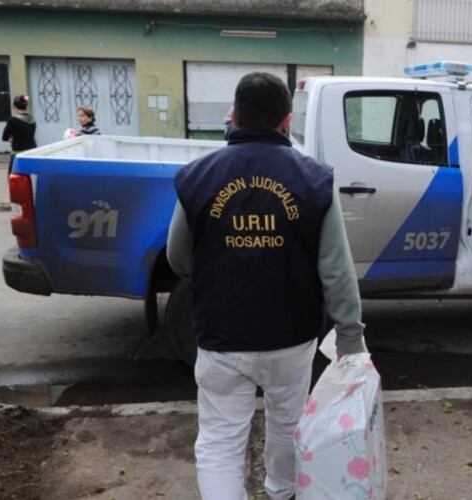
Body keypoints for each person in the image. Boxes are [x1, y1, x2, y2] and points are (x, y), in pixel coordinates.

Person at [166, 72, 366, 500]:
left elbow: (178, 259)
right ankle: (282, 494)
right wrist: (351, 335)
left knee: (220, 442)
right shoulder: (314, 179)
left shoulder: (197, 176)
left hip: (222, 336)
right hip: (290, 338)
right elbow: (336, 269)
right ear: (287, 122)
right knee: (288, 427)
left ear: (233, 117)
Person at [1, 94, 37, 176]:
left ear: (14, 107)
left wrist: (11, 139)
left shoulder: (13, 120)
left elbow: (4, 137)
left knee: (14, 178)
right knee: (31, 177)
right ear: (26, 106)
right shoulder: (32, 119)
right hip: (32, 151)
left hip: (18, 152)